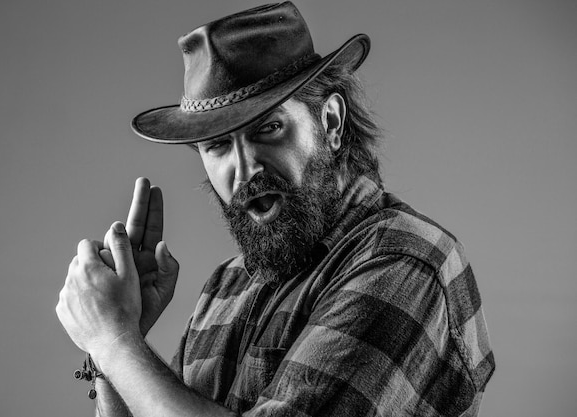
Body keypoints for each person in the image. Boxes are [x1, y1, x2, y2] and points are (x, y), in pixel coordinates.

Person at [56, 2, 495, 416]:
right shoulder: (226, 287)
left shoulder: (406, 264)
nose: (245, 170)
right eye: (217, 146)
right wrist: (120, 340)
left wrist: (113, 340)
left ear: (331, 122)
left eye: (269, 128)